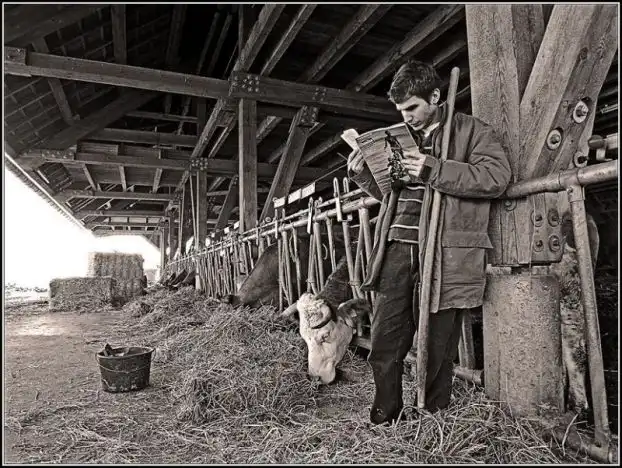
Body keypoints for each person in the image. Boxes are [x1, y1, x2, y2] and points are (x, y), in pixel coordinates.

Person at [347, 60, 512, 425]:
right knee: (385, 340)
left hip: (444, 252)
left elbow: (496, 177)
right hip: (395, 247)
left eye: (412, 108)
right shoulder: (401, 137)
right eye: (400, 110)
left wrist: (431, 168)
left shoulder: (471, 132)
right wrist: (363, 174)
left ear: (435, 96)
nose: (406, 117)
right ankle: (385, 415)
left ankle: (433, 421)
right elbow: (390, 195)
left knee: (437, 345)